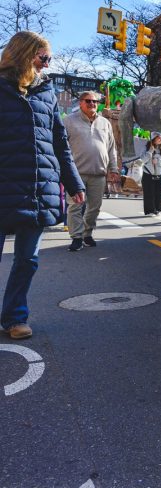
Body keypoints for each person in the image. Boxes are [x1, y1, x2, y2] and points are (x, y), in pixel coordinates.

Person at [0, 31, 85, 339]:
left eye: (49, 59)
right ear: (24, 54)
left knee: (27, 259)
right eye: (43, 58)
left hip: (39, 188)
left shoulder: (46, 92)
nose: (47, 66)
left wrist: (73, 181)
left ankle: (14, 317)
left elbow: (60, 142)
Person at [63, 90, 119, 251]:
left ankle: (87, 234)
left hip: (99, 174)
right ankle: (76, 237)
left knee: (94, 207)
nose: (92, 104)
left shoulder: (105, 123)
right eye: (88, 101)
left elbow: (111, 148)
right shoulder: (68, 121)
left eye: (95, 102)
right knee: (75, 206)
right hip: (76, 174)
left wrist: (113, 168)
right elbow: (62, 148)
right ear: (80, 103)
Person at [140, 132, 161, 216]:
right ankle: (149, 211)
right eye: (158, 138)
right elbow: (143, 160)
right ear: (153, 139)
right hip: (148, 173)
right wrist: (150, 152)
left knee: (159, 192)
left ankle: (158, 209)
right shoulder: (146, 148)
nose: (160, 140)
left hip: (160, 173)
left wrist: (158, 160)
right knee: (149, 192)